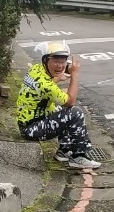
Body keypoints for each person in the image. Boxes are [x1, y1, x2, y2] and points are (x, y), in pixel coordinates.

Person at [15, 40, 101, 169]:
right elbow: (71, 100)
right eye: (55, 61)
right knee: (75, 113)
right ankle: (78, 156)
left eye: (62, 62)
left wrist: (57, 78)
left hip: (29, 122)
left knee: (61, 110)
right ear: (46, 61)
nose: (60, 66)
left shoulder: (36, 69)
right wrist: (75, 75)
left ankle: (64, 151)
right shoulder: (46, 85)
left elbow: (44, 88)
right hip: (31, 129)